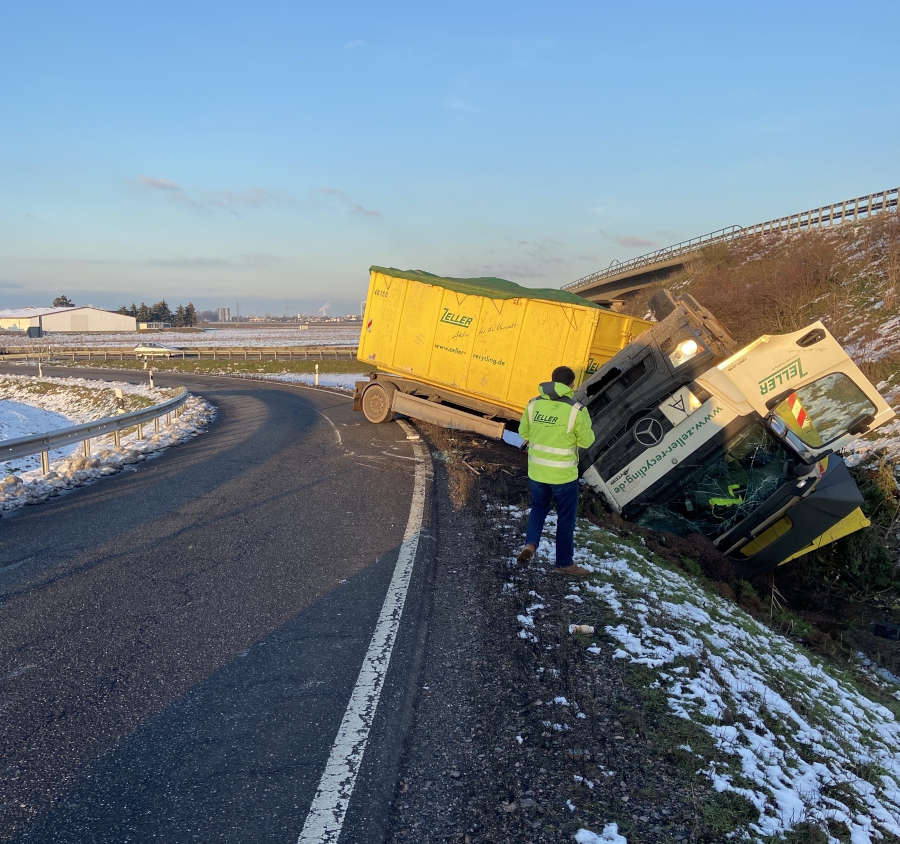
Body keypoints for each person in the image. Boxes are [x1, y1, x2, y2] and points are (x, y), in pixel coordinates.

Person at [517, 365, 595, 576]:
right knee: (566, 518)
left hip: (538, 472)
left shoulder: (533, 404)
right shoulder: (577, 410)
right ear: (571, 385)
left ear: (551, 381)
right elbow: (587, 442)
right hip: (563, 476)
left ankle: (530, 545)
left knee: (539, 508)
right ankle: (564, 563)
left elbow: (523, 431)